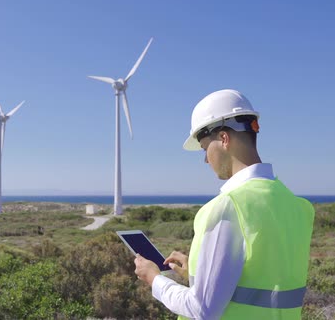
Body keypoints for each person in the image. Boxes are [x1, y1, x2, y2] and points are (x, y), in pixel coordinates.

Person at [134, 89, 315, 319]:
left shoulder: (228, 206)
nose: (205, 159)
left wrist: (154, 279)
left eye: (204, 149)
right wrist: (197, 272)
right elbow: (267, 280)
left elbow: (203, 309)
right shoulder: (299, 207)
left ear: (223, 139)